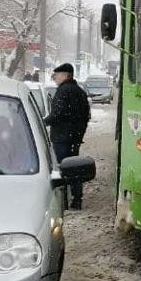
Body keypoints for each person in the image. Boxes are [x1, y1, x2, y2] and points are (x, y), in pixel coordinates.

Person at [44, 62, 91, 209]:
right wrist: (78, 133)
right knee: (74, 169)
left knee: (61, 170)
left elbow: (57, 115)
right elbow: (86, 116)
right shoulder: (80, 92)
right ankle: (77, 200)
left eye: (56, 76)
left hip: (61, 139)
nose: (55, 78)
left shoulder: (62, 91)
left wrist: (42, 122)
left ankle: (62, 201)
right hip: (74, 138)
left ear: (65, 75)